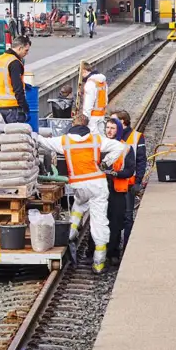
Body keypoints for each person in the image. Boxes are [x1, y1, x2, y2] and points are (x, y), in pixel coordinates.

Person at [36, 112, 129, 273]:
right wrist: (106, 162)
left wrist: (31, 134)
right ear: (86, 125)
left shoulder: (63, 141)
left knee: (79, 204)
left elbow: (44, 143)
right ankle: (99, 264)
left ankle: (70, 234)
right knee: (99, 222)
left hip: (79, 185)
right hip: (97, 184)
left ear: (73, 124)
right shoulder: (96, 139)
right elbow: (120, 147)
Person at [103, 108, 147, 264]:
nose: (111, 127)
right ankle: (111, 249)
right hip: (113, 186)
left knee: (126, 218)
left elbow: (141, 161)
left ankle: (125, 248)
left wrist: (138, 181)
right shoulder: (111, 139)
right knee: (112, 218)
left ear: (123, 123)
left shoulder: (135, 138)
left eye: (114, 122)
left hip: (127, 184)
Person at [0, 37, 33, 125]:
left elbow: (5, 79)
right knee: (17, 136)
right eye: (26, 50)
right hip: (14, 108)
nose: (26, 53)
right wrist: (25, 108)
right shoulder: (14, 62)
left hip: (2, 106)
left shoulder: (1, 59)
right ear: (20, 48)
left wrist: (24, 84)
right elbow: (17, 88)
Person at [78, 62, 109, 135]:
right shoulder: (102, 82)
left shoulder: (90, 83)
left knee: (94, 139)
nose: (81, 77)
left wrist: (85, 118)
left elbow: (88, 103)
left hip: (92, 117)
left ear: (84, 71)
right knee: (101, 137)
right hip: (101, 114)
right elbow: (106, 99)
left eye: (80, 74)